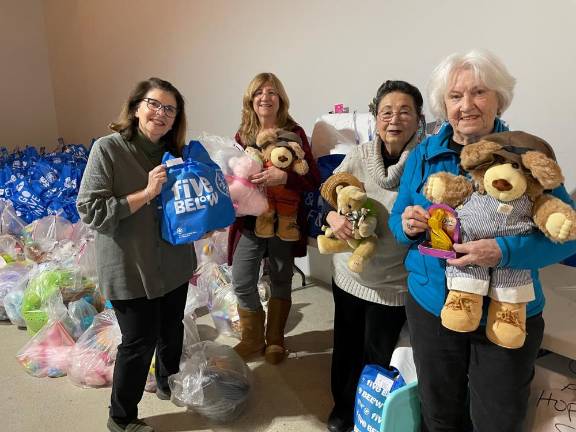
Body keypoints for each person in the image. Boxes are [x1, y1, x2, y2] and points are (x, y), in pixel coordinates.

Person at [388, 50, 576, 432]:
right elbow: (397, 219)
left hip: (505, 308)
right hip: (432, 304)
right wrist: (405, 224)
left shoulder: (527, 152)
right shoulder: (424, 154)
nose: (466, 105)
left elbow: (567, 234)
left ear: (498, 99)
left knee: (498, 418)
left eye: (479, 93)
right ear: (444, 104)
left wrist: (503, 252)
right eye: (455, 96)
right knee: (440, 412)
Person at [77, 77, 196, 432]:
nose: (161, 113)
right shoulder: (108, 149)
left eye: (169, 109)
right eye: (154, 104)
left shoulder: (177, 153)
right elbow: (90, 209)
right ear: (135, 108)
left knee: (171, 330)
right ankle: (121, 418)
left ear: (176, 119)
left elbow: (185, 206)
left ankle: (167, 382)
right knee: (139, 342)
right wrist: (146, 193)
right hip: (131, 266)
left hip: (173, 262)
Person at [322, 80, 425, 432]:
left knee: (378, 358)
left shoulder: (424, 163)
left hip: (393, 285)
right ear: (375, 118)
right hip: (348, 275)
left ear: (419, 119)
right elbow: (331, 190)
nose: (394, 119)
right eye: (386, 112)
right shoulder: (360, 154)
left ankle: (367, 417)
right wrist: (333, 215)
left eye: (404, 111)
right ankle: (341, 410)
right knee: (345, 348)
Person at [228, 72, 320, 364]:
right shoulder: (241, 135)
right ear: (250, 100)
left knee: (281, 278)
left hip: (285, 221)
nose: (264, 98)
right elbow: (232, 175)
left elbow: (313, 178)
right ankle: (252, 338)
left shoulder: (295, 132)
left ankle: (275, 340)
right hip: (250, 222)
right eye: (258, 93)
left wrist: (285, 176)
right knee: (242, 280)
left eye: (271, 92)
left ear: (280, 98)